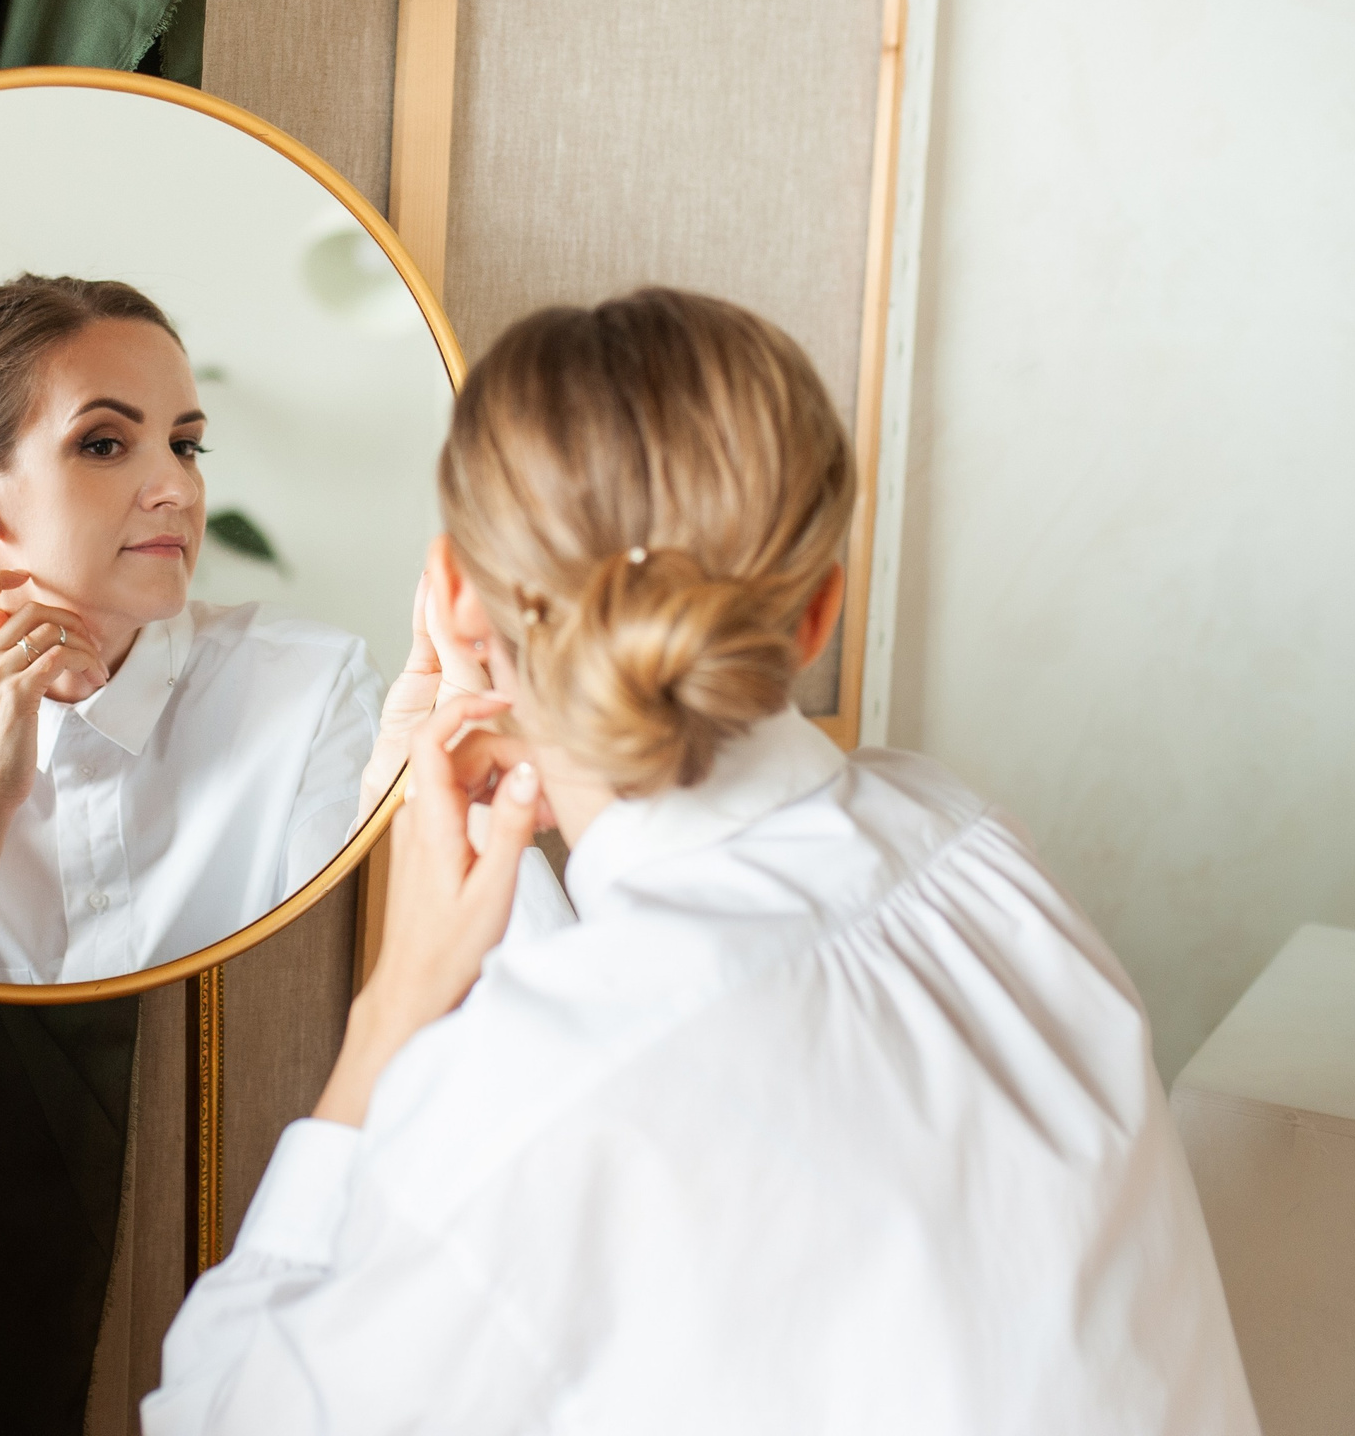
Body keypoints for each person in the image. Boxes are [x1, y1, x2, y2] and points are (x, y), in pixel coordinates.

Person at [144, 288, 1255, 1434]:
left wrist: (393, 1010)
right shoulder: (969, 847)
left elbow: (218, 1416)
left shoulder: (541, 1096)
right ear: (817, 612)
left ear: (457, 599)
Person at [0, 274, 387, 985]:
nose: (180, 490)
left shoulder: (311, 693)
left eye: (185, 446)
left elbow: (323, 1008)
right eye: (103, 444)